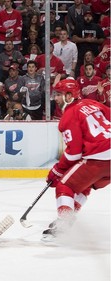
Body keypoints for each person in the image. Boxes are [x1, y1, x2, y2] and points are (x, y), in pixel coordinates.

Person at [43, 78, 110, 241]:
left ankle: (64, 225)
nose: (56, 99)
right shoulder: (93, 103)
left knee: (64, 185)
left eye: (59, 94)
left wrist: (57, 170)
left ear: (69, 95)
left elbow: (74, 153)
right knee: (84, 184)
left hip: (99, 157)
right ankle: (68, 216)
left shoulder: (69, 116)